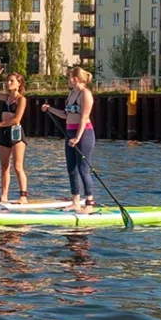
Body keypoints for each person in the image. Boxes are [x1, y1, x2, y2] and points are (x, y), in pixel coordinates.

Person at [43, 63, 97, 213]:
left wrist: (77, 138)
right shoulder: (71, 93)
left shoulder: (85, 94)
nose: (67, 80)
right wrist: (50, 109)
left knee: (83, 169)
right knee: (71, 169)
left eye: (68, 78)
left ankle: (90, 204)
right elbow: (66, 115)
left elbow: (84, 117)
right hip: (70, 133)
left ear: (74, 79)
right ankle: (75, 202)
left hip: (84, 134)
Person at [0, 68, 30, 203]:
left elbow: (16, 119)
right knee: (4, 166)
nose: (8, 83)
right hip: (4, 134)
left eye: (12, 81)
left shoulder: (21, 99)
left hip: (16, 134)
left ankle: (23, 196)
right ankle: (4, 196)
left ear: (19, 83)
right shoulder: (6, 98)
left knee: (18, 167)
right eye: (7, 80)